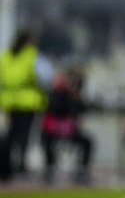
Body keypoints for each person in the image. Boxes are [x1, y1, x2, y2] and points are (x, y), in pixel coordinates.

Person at [0, 29, 53, 180]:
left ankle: (6, 168)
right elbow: (45, 77)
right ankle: (20, 167)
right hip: (28, 102)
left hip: (8, 102)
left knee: (10, 136)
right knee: (23, 136)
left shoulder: (5, 56)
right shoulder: (32, 56)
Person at [40, 69, 93, 185]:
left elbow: (82, 109)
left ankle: (81, 170)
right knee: (46, 139)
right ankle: (50, 168)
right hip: (54, 131)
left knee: (87, 141)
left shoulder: (72, 96)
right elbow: (54, 108)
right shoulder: (52, 95)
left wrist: (76, 95)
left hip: (69, 131)